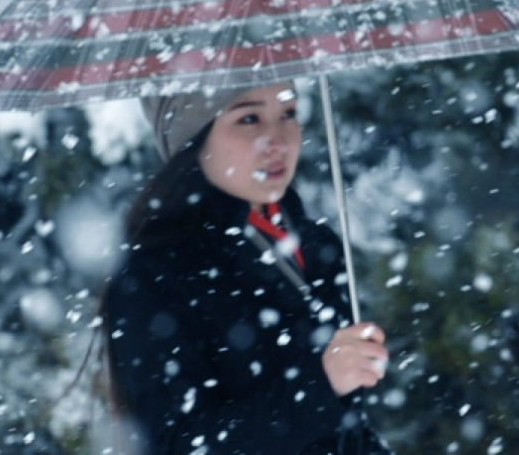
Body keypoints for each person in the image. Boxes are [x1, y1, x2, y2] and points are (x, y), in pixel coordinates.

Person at [102, 82, 392, 455]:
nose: (278, 140)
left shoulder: (318, 247)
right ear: (194, 140)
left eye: (288, 113)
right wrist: (321, 385)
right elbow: (177, 444)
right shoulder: (153, 275)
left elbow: (346, 431)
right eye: (249, 118)